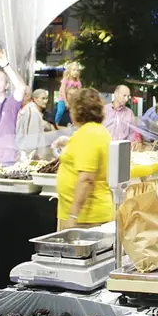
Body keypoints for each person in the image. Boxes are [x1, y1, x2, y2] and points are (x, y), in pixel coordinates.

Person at [56, 88, 114, 231]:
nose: (70, 113)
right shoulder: (95, 131)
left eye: (71, 109)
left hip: (86, 219)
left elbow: (87, 179)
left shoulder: (89, 134)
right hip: (88, 216)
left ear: (79, 110)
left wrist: (73, 216)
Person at [16, 89, 50, 156]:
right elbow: (32, 139)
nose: (45, 101)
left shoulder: (33, 111)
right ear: (35, 99)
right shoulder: (32, 112)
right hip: (27, 154)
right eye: (43, 98)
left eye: (46, 98)